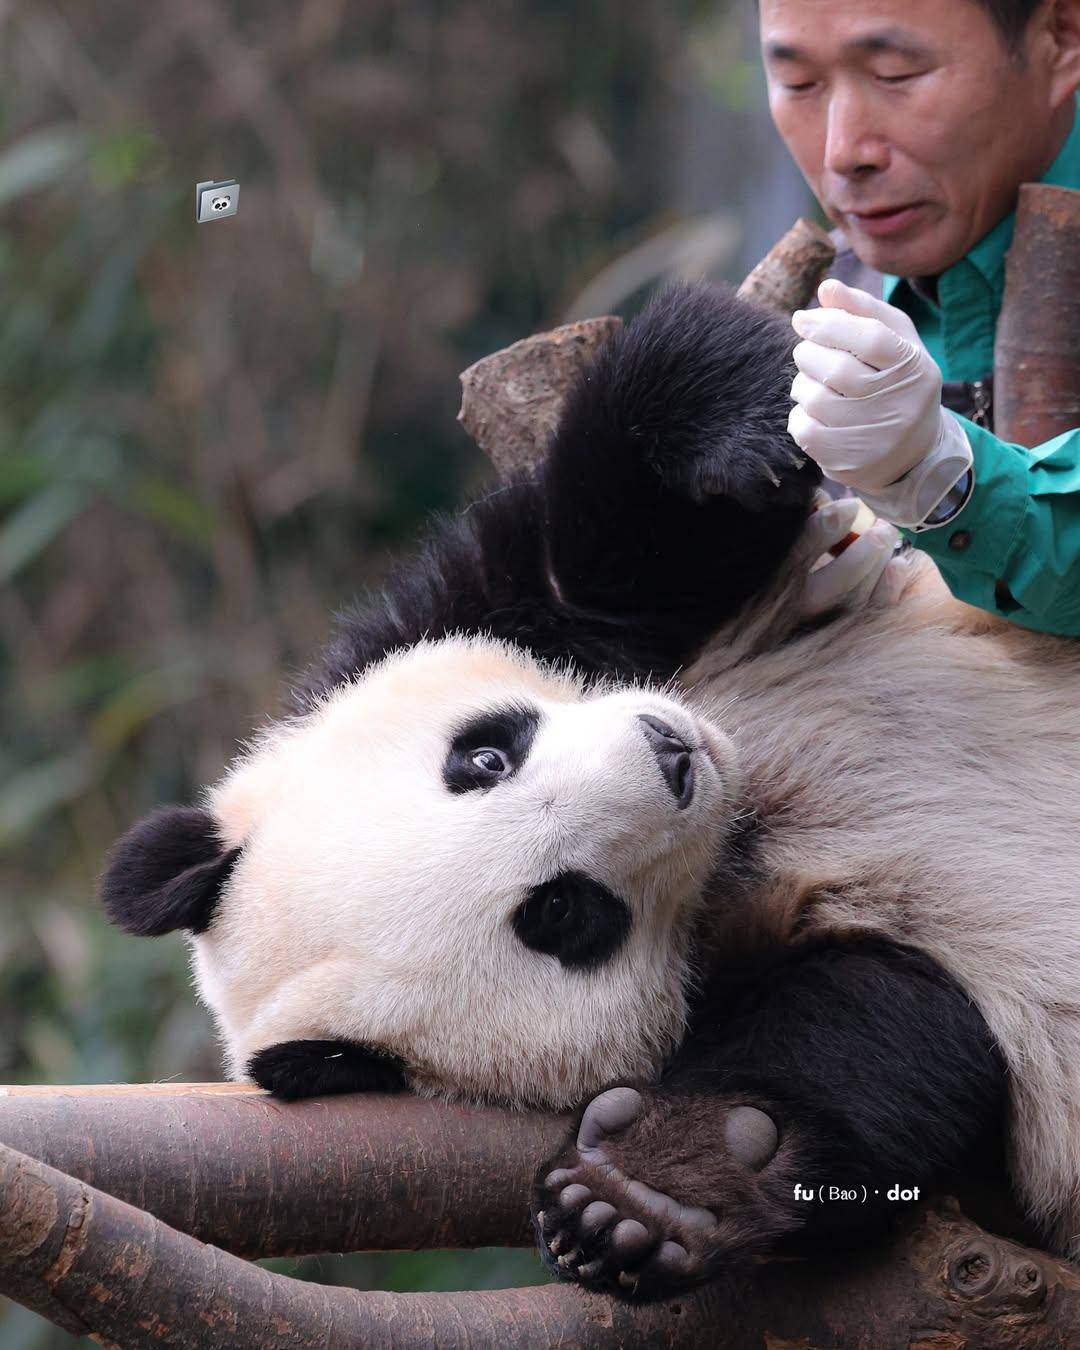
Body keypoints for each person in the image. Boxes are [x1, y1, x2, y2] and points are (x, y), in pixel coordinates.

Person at [759, 0, 1080, 633]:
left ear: (1060, 35)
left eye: (895, 73)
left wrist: (944, 481)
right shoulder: (811, 306)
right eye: (800, 84)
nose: (843, 151)